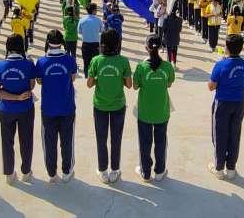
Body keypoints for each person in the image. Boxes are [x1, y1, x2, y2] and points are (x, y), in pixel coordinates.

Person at [87, 28, 132, 184]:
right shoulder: (123, 61)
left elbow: (89, 84)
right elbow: (129, 84)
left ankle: (103, 171)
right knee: (116, 139)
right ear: (118, 43)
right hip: (118, 105)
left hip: (100, 105)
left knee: (101, 139)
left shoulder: (96, 60)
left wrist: (99, 79)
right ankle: (114, 170)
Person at [0, 34, 37, 183]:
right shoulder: (28, 64)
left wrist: (13, 97)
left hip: (6, 109)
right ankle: (26, 171)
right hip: (25, 108)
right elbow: (31, 85)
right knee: (26, 140)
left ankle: (9, 174)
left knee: (7, 141)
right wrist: (19, 97)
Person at [35, 30, 78, 183]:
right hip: (67, 107)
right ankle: (67, 171)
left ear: (48, 42)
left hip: (48, 108)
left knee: (49, 142)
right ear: (62, 42)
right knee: (67, 141)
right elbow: (73, 78)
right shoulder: (70, 59)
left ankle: (51, 173)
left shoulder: (41, 61)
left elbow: (39, 81)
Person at [207, 34, 244, 180]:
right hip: (239, 102)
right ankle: (231, 167)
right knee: (234, 134)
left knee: (220, 134)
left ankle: (219, 168)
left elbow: (211, 86)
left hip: (223, 102)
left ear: (227, 48)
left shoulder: (220, 65)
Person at [133, 34, 175, 182]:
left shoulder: (141, 67)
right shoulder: (168, 67)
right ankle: (160, 171)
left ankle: (145, 172)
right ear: (161, 47)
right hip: (162, 111)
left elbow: (135, 86)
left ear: (146, 47)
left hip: (144, 112)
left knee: (144, 143)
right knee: (161, 142)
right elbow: (169, 84)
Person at [77, 3, 103, 77]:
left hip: (85, 44)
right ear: (94, 10)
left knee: (86, 63)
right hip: (95, 45)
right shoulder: (98, 20)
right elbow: (101, 30)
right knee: (95, 63)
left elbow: (79, 31)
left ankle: (86, 77)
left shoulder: (82, 20)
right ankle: (95, 78)